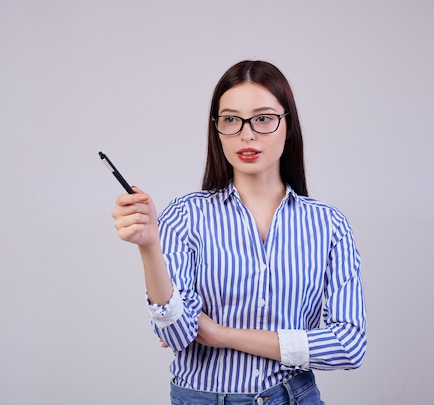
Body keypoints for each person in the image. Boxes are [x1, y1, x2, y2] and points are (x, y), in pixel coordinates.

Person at [111, 60, 366, 404]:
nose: (247, 134)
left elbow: (348, 346)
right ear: (217, 129)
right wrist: (149, 246)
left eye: (263, 118)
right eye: (231, 119)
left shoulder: (329, 224)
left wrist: (222, 335)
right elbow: (175, 333)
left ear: (288, 126)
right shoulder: (186, 215)